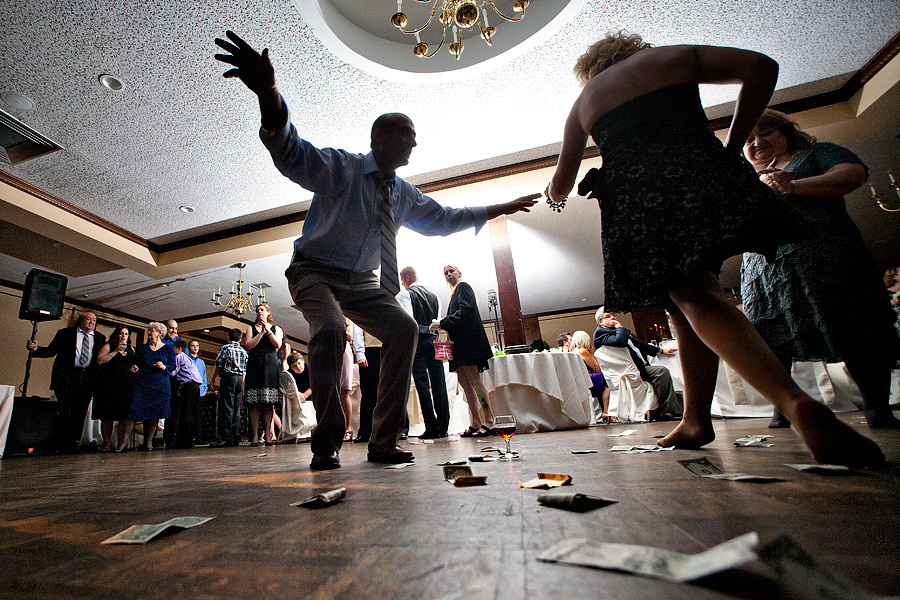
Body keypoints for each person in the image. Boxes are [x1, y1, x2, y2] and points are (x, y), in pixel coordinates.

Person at [546, 31, 884, 465]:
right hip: (700, 173)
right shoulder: (673, 57)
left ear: (591, 69)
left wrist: (554, 198)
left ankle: (797, 405)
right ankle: (696, 418)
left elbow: (562, 180)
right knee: (683, 297)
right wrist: (731, 143)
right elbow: (762, 67)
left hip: (640, 195)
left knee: (692, 294)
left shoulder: (585, 100)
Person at [214, 31, 538, 470]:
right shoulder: (343, 168)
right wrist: (269, 92)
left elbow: (443, 219)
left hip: (364, 284)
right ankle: (326, 442)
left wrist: (494, 209)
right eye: (408, 133)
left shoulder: (403, 193)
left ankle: (384, 442)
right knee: (328, 328)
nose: (415, 143)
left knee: (405, 329)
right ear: (381, 138)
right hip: (314, 270)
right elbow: (289, 151)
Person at [741, 109, 900, 429]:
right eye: (748, 139)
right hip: (763, 269)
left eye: (766, 133)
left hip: (824, 252)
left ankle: (876, 407)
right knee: (769, 339)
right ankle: (783, 408)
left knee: (858, 324)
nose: (757, 142)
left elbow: (852, 174)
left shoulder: (815, 153)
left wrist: (793, 186)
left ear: (786, 132)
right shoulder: (740, 176)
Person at [26, 312, 106, 453]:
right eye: (88, 319)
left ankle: (72, 443)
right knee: (64, 411)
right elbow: (51, 351)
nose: (91, 322)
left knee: (80, 413)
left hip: (86, 380)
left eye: (94, 320)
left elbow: (101, 360)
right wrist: (36, 349)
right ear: (80, 321)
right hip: (66, 378)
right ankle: (58, 443)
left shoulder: (100, 338)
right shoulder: (65, 333)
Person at [430, 264, 495, 437]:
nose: (449, 274)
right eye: (446, 273)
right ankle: (475, 422)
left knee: (474, 380)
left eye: (452, 271)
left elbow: (466, 311)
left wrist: (442, 322)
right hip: (459, 345)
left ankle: (489, 420)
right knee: (465, 383)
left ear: (459, 273)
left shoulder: (463, 287)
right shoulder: (454, 293)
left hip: (469, 343)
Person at [593, 309, 683, 419]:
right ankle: (669, 411)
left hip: (637, 367)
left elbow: (639, 344)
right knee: (661, 372)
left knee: (669, 370)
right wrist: (619, 326)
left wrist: (661, 351)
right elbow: (619, 341)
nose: (613, 318)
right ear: (600, 322)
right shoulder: (600, 334)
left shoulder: (615, 332)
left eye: (614, 315)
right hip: (629, 372)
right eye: (608, 316)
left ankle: (678, 409)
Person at [397, 266, 450, 439]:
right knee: (439, 383)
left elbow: (409, 322)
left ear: (406, 278)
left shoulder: (404, 295)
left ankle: (431, 428)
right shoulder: (434, 296)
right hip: (434, 341)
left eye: (402, 280)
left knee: (422, 385)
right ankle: (443, 426)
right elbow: (438, 322)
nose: (402, 284)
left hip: (418, 343)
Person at [118, 322, 176, 451]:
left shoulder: (168, 349)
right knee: (132, 412)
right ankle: (124, 442)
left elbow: (173, 366)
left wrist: (164, 366)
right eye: (148, 331)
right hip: (142, 383)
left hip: (159, 385)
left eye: (151, 331)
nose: (149, 333)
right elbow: (135, 361)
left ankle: (149, 442)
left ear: (159, 333)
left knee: (154, 415)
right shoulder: (142, 348)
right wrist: (134, 367)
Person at [243, 303, 283, 447]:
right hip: (254, 365)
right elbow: (249, 345)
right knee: (254, 403)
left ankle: (268, 435)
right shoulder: (251, 328)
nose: (259, 312)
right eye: (257, 310)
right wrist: (260, 333)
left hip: (270, 367)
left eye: (262, 310)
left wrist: (268, 331)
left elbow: (277, 344)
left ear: (268, 312)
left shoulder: (276, 328)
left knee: (268, 403)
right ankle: (254, 436)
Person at [93, 325, 138, 452]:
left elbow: (131, 364)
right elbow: (100, 360)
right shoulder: (108, 346)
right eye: (121, 333)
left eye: (126, 334)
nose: (123, 336)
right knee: (107, 417)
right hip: (108, 386)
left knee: (124, 417)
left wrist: (134, 369)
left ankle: (120, 444)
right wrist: (115, 351)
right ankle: (106, 444)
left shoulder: (132, 349)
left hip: (125, 387)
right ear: (116, 335)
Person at [210, 328, 248, 447]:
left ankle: (226, 437)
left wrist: (213, 378)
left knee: (226, 406)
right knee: (237, 407)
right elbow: (245, 369)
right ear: (241, 339)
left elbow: (219, 365)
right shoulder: (243, 351)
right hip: (239, 379)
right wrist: (242, 382)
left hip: (228, 377)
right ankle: (236, 436)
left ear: (228, 337)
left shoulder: (225, 348)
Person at [570, 330, 614, 423]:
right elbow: (596, 367)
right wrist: (591, 353)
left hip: (581, 378)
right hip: (589, 377)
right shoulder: (583, 351)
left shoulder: (573, 351)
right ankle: (606, 411)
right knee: (609, 383)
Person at [170, 339, 203, 448]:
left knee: (185, 413)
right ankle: (190, 439)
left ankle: (185, 440)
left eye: (173, 348)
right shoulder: (188, 358)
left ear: (179, 349)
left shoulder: (179, 356)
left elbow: (175, 371)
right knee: (192, 413)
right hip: (196, 386)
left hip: (188, 386)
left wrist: (165, 369)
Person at [280, 351, 315, 443]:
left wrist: (305, 395)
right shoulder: (289, 374)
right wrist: (298, 394)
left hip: (311, 395)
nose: (298, 367)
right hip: (297, 398)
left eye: (299, 363)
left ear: (303, 361)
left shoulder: (310, 369)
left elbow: (315, 384)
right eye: (294, 366)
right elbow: (288, 387)